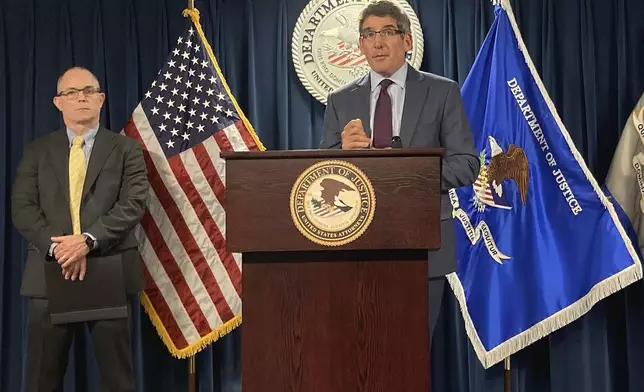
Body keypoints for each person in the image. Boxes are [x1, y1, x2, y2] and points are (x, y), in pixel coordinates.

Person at [319, 1, 479, 342]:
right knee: (362, 354)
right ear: (360, 45)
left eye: (387, 32)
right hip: (357, 245)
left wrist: (410, 175)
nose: (378, 42)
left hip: (423, 247)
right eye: (368, 34)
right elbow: (326, 172)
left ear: (407, 41)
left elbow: (466, 163)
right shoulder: (340, 100)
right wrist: (342, 154)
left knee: (413, 355)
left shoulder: (441, 91)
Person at [11, 66, 149, 392]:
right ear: (59, 103)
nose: (81, 97)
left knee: (118, 380)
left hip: (109, 267)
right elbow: (23, 208)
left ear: (101, 99)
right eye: (71, 93)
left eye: (88, 91)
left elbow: (133, 204)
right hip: (50, 270)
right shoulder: (36, 152)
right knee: (42, 379)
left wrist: (88, 241)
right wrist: (61, 248)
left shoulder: (126, 149)